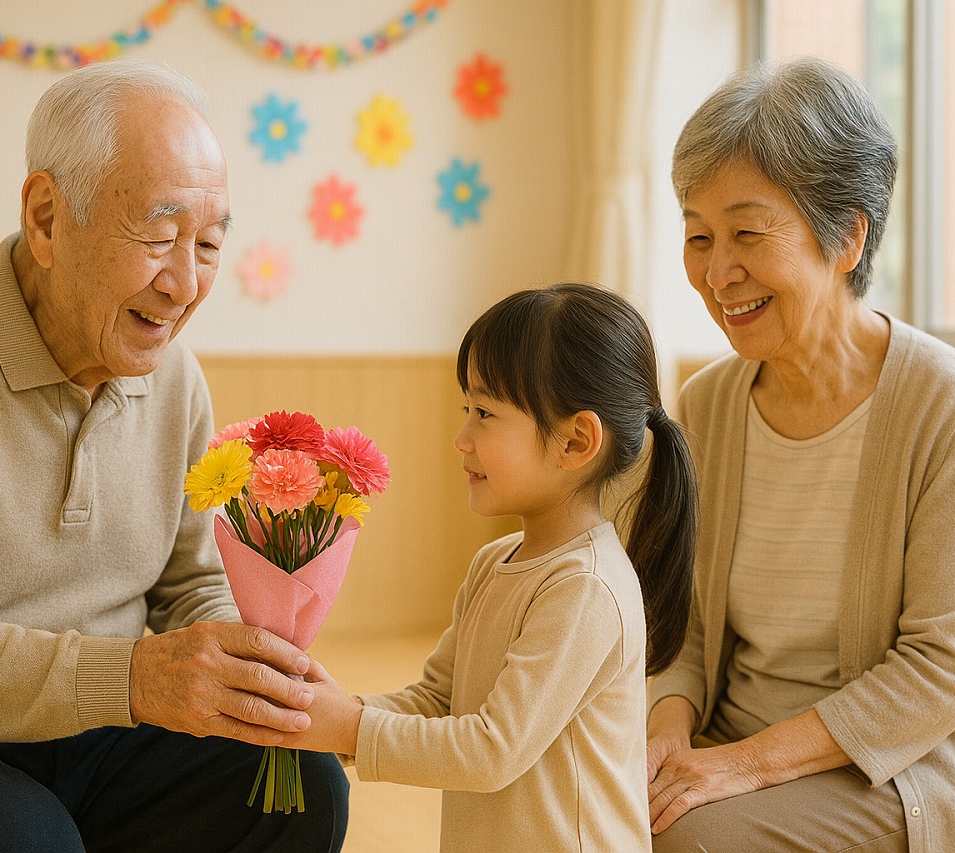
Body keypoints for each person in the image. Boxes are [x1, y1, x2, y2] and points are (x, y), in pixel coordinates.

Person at [0, 60, 347, 852]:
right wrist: (133, 679)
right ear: (47, 218)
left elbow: (188, 583)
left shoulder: (175, 379)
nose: (184, 283)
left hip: (92, 726)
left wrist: (253, 671)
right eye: (158, 237)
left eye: (210, 243)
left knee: (298, 791)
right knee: (18, 835)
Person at [645, 57, 955, 852]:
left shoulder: (953, 409)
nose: (719, 272)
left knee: (689, 841)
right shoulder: (705, 407)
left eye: (749, 233)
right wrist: (669, 735)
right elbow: (678, 625)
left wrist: (742, 767)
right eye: (699, 235)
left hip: (906, 771)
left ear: (848, 235)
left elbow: (938, 671)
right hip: (734, 747)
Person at [282, 282, 699, 852]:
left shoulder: (585, 588)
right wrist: (336, 713)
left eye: (484, 413)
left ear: (576, 441)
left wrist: (351, 728)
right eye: (466, 409)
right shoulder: (494, 563)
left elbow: (491, 750)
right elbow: (438, 702)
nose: (462, 438)